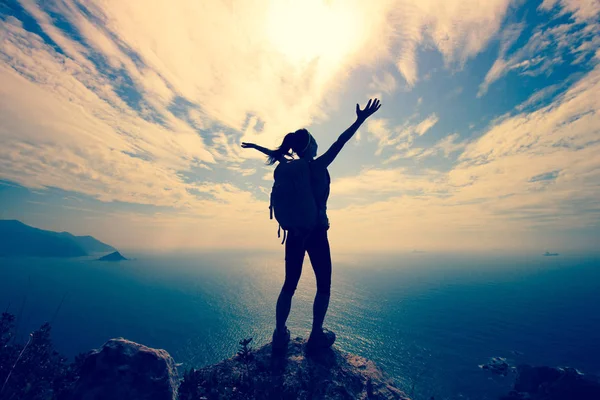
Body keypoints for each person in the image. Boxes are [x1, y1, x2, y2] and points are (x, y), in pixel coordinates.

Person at [241, 98, 381, 352]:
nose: (317, 142)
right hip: (316, 233)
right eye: (314, 140)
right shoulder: (317, 165)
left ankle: (279, 333)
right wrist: (359, 120)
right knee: (323, 284)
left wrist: (255, 146)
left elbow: (276, 154)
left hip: (294, 233)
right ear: (310, 146)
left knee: (289, 284)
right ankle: (316, 336)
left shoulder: (289, 166)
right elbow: (341, 142)